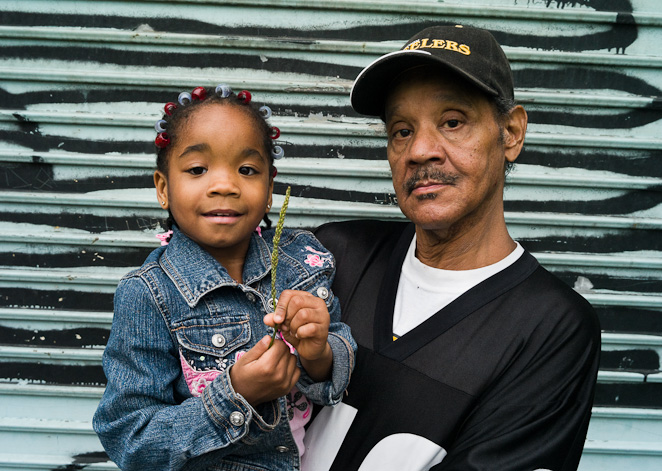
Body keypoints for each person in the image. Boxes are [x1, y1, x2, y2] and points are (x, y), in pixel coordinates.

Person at [304, 25, 601, 471]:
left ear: (512, 133)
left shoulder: (550, 329)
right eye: (401, 130)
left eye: (453, 122)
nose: (421, 150)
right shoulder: (334, 256)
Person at [92, 85, 356, 471]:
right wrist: (238, 395)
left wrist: (320, 354)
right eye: (198, 169)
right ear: (163, 188)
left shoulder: (301, 262)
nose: (224, 185)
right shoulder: (148, 294)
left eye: (247, 170)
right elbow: (130, 437)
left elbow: (337, 358)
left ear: (269, 191)